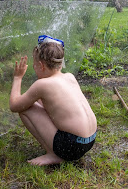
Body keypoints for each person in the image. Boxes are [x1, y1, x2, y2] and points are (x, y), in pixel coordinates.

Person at [9, 35, 97, 166]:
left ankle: (53, 154)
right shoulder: (69, 77)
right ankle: (57, 149)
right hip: (89, 141)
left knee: (25, 109)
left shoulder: (42, 84)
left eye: (34, 64)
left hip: (71, 146)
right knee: (38, 101)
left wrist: (17, 78)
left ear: (41, 65)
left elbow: (15, 105)